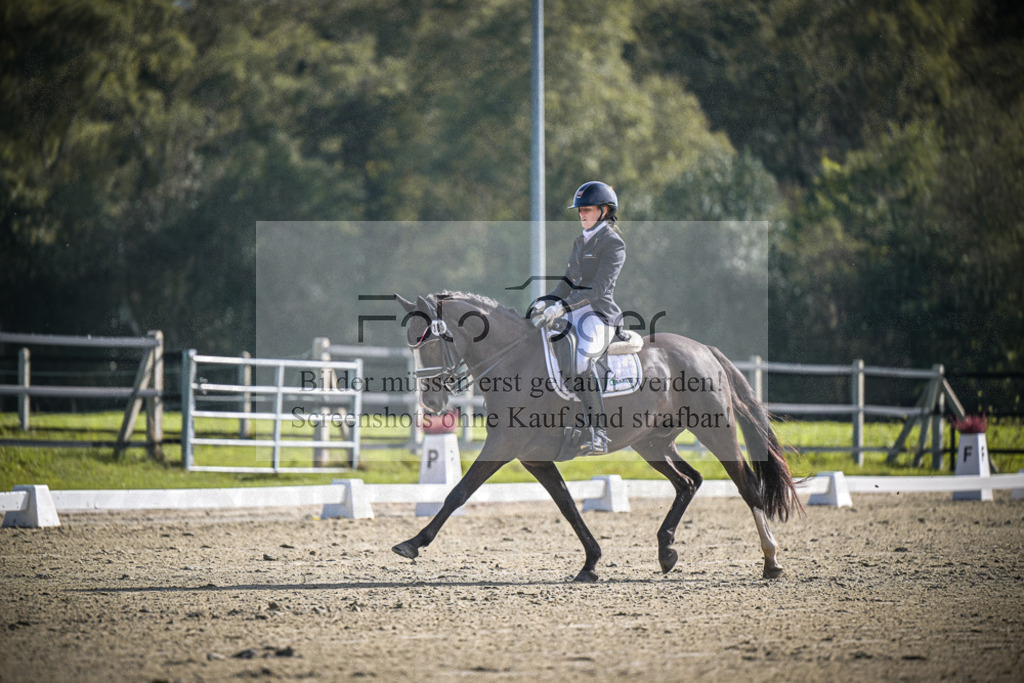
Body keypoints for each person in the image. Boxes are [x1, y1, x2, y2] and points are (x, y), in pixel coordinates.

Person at [532, 181, 625, 459]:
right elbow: (568, 283)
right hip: (574, 311)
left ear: (604, 210)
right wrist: (546, 301)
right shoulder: (580, 241)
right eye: (580, 210)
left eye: (586, 209)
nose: (581, 214)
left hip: (600, 314)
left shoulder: (613, 243)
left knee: (583, 359)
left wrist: (563, 307)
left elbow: (597, 289)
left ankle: (599, 433)